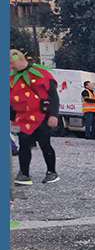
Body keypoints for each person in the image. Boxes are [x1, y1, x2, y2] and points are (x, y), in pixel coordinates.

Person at [10, 49, 60, 185]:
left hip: (41, 115)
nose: (10, 66)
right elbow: (10, 101)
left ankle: (52, 171)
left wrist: (54, 115)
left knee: (45, 144)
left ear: (20, 59)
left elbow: (53, 96)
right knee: (24, 145)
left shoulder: (42, 74)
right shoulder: (10, 78)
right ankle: (24, 174)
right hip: (22, 118)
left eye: (11, 62)